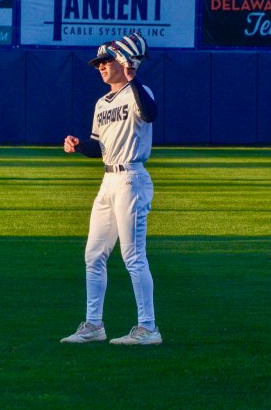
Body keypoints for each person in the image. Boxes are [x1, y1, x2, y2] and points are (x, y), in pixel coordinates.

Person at [60, 32, 161, 346]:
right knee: (93, 255)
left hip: (132, 178)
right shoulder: (101, 102)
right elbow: (98, 148)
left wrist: (133, 80)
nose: (100, 67)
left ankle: (148, 328)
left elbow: (151, 115)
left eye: (106, 61)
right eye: (99, 63)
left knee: (133, 256)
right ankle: (93, 325)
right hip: (108, 180)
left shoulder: (140, 92)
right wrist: (78, 146)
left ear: (122, 63)